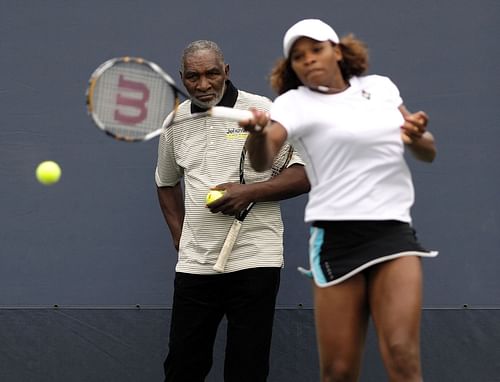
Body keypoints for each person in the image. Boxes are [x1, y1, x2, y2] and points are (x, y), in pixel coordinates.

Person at [242, 19, 438, 382]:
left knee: (402, 353)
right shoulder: (293, 103)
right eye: (298, 57)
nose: (309, 60)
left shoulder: (380, 88)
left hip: (393, 233)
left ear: (337, 50)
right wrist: (256, 135)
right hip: (336, 238)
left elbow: (426, 151)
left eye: (316, 49)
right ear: (292, 67)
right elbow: (262, 158)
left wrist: (417, 136)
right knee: (338, 371)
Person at [155, 40, 310, 382]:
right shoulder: (174, 122)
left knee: (246, 369)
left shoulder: (261, 110)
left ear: (226, 71)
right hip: (196, 264)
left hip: (255, 258)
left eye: (212, 73)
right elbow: (166, 183)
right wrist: (180, 238)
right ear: (182, 78)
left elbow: (304, 174)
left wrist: (249, 192)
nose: (204, 84)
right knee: (182, 367)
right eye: (193, 76)